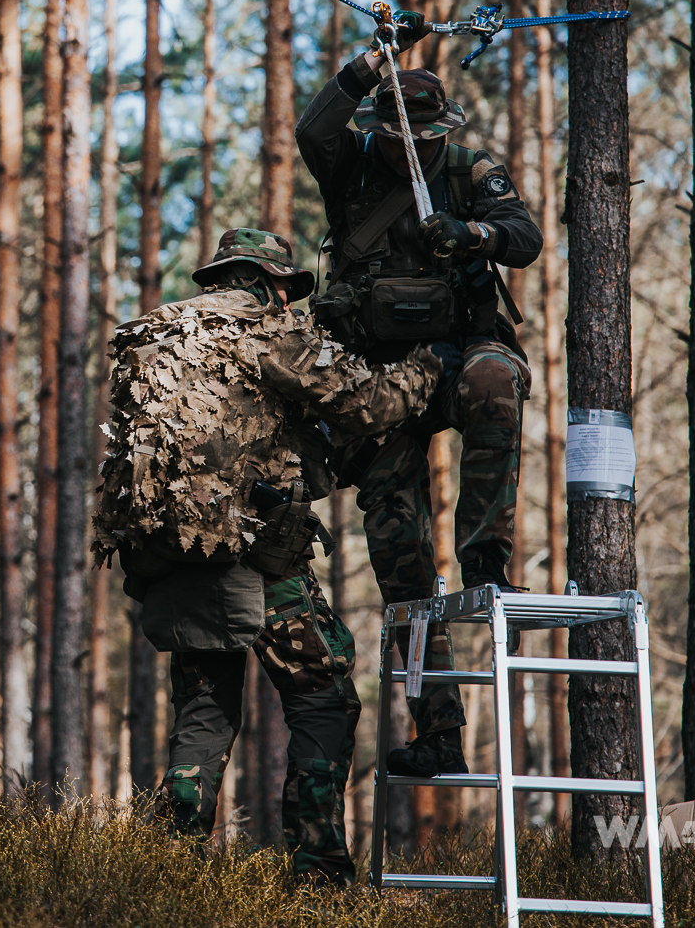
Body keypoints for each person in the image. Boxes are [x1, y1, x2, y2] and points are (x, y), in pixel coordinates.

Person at [94, 228, 439, 884]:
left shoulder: (165, 332)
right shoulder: (263, 328)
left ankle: (169, 876)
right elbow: (370, 403)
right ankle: (315, 868)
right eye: (285, 287)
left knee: (203, 713)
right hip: (258, 557)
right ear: (268, 280)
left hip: (174, 557)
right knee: (325, 695)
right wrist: (426, 367)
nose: (288, 299)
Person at [293, 10, 542, 780]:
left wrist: (473, 238)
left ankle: (487, 562)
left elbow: (524, 236)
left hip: (458, 354)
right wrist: (373, 61)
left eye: (425, 139)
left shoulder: (467, 167)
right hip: (378, 385)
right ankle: (436, 727)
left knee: (496, 379)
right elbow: (313, 130)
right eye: (404, 137)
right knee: (400, 558)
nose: (415, 150)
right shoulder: (355, 166)